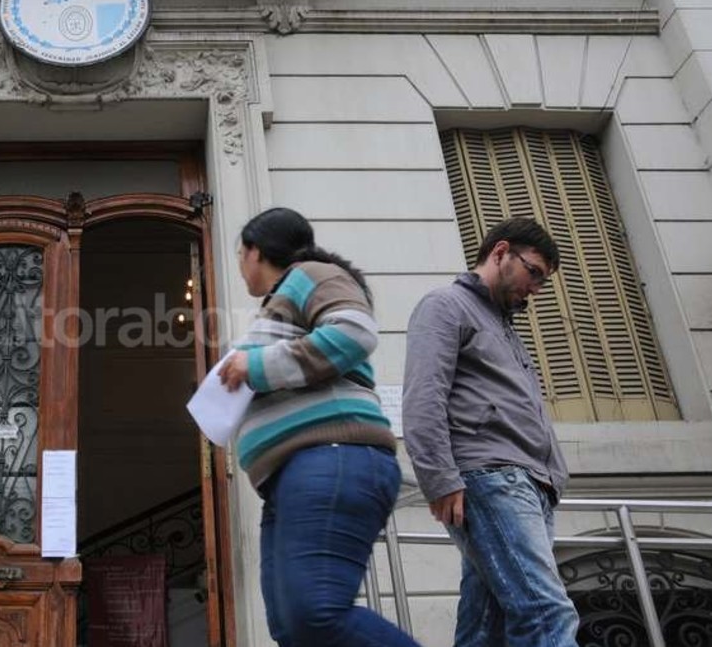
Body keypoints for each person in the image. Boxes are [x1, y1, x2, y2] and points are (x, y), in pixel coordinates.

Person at [218, 207, 419, 647]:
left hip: (331, 456)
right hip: (291, 477)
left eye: (239, 254)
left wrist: (253, 365)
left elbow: (354, 333)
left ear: (254, 251)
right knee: (292, 629)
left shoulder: (310, 274)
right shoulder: (279, 303)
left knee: (315, 616)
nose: (239, 266)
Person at [402, 216, 580, 647]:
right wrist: (439, 479)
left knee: (487, 626)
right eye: (533, 272)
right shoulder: (444, 305)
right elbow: (423, 398)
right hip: (492, 478)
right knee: (547, 614)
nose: (535, 288)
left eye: (543, 281)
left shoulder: (505, 326)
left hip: (532, 485)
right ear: (500, 252)